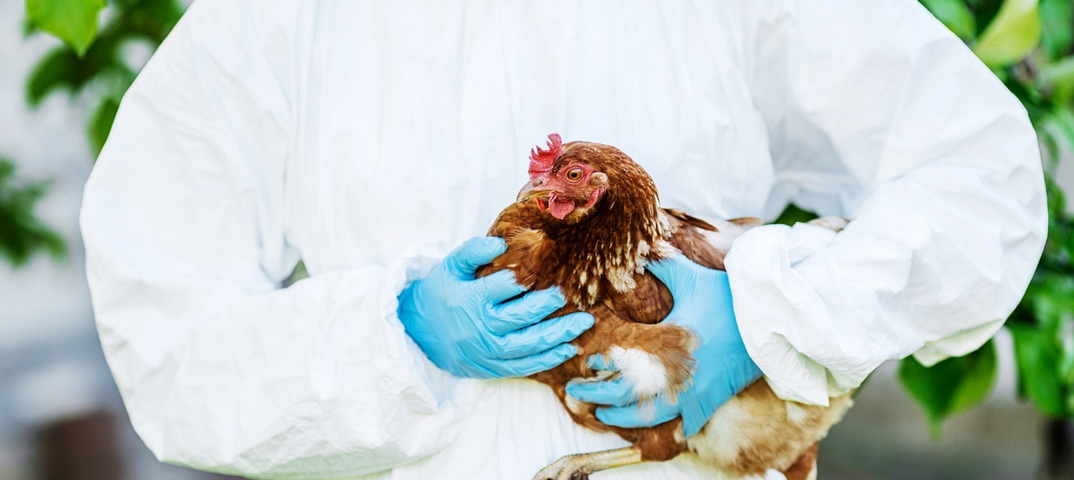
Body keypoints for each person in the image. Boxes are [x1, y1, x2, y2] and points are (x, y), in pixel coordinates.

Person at [80, 0, 1046, 478]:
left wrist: (766, 316)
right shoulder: (271, 23)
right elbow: (169, 351)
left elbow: (983, 181)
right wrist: (390, 338)